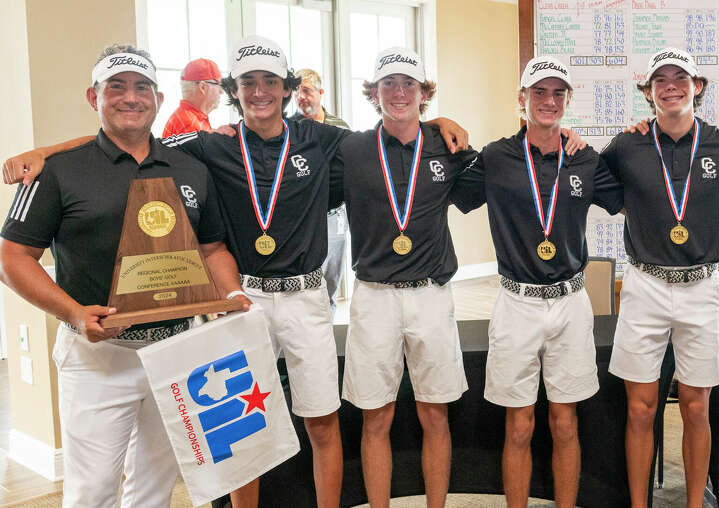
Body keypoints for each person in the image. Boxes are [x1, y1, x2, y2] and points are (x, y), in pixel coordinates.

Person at [1, 34, 468, 508]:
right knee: (244, 430)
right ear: (233, 89)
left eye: (270, 81)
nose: (260, 91)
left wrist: (438, 123)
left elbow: (396, 130)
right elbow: (130, 135)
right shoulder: (207, 145)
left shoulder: (324, 139)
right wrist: (50, 151)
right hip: (241, 297)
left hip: (306, 298)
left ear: (287, 88)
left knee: (321, 421)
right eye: (248, 82)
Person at [0, 44, 250, 508]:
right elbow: (11, 258)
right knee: (91, 493)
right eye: (116, 88)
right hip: (98, 356)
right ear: (94, 98)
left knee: (156, 488)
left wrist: (231, 292)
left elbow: (212, 246)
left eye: (141, 88)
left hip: (176, 350)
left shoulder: (191, 168)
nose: (130, 98)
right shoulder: (55, 172)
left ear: (157, 99)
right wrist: (74, 313)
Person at [455, 56, 622, 508]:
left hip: (570, 301)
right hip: (516, 303)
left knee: (566, 423)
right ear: (521, 99)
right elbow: (449, 187)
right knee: (520, 424)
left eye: (557, 93)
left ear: (567, 100)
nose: (548, 101)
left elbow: (631, 198)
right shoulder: (495, 157)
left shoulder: (585, 158)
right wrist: (437, 123)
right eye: (539, 92)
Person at [600, 48, 719, 508]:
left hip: (701, 286)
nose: (670, 86)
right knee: (640, 408)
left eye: (680, 78)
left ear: (697, 86)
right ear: (648, 92)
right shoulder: (627, 146)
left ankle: (694, 504)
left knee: (698, 407)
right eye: (659, 80)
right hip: (644, 285)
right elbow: (575, 176)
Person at [337, 47, 476, 508]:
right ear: (373, 94)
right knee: (375, 418)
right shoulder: (352, 149)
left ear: (424, 93)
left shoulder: (448, 147)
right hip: (374, 297)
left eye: (409, 85)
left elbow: (496, 175)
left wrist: (445, 123)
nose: (399, 93)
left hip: (431, 296)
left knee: (435, 414)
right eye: (389, 84)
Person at [290, 68, 350, 316]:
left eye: (307, 90)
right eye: (297, 92)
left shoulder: (339, 127)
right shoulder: (288, 127)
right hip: (301, 218)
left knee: (330, 281)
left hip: (333, 215)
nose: (302, 97)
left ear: (321, 93)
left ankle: (331, 330)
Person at [162, 58, 223, 137]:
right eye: (218, 84)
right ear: (202, 87)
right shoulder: (190, 125)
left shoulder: (189, 118)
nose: (221, 92)